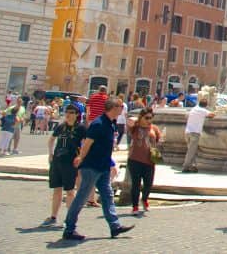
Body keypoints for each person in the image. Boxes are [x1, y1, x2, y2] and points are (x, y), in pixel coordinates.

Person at [62, 97, 134, 241]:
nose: (122, 109)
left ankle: (115, 226)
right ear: (113, 107)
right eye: (120, 106)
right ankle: (69, 229)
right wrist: (81, 158)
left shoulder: (110, 124)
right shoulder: (98, 123)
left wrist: (111, 164)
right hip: (91, 166)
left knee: (107, 196)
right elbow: (87, 143)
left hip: (103, 166)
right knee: (81, 197)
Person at [44, 105, 87, 226]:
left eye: (71, 112)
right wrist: (50, 153)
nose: (68, 115)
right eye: (67, 112)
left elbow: (86, 143)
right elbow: (51, 139)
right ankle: (53, 216)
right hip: (57, 160)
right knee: (56, 189)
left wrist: (80, 157)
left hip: (70, 162)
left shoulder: (81, 128)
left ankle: (70, 218)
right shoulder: (61, 126)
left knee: (69, 190)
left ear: (77, 114)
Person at [127, 107, 162, 216]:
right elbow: (129, 120)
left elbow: (158, 140)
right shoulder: (135, 128)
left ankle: (145, 199)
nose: (149, 120)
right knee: (136, 184)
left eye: (151, 118)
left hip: (149, 161)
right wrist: (137, 121)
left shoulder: (154, 128)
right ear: (141, 117)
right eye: (146, 118)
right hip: (135, 159)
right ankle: (135, 206)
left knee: (148, 184)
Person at [182, 98, 216, 172]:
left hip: (187, 132)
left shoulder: (194, 109)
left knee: (191, 150)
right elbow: (212, 114)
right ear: (205, 105)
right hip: (195, 133)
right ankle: (185, 167)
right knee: (191, 151)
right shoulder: (203, 110)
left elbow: (186, 115)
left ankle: (193, 166)